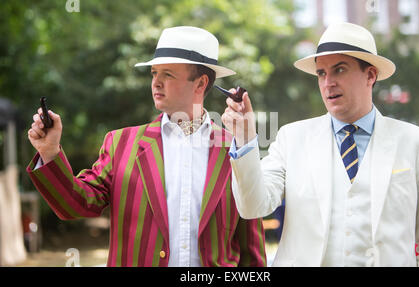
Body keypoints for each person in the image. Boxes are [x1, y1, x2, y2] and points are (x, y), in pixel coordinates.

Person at [27, 26, 266, 267]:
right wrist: (50, 152)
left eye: (168, 74)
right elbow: (75, 204)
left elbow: (252, 252)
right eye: (154, 73)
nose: (156, 83)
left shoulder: (237, 151)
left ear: (201, 83)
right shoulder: (121, 144)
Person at [222, 22, 419, 266]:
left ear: (370, 75)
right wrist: (245, 139)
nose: (328, 82)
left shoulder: (414, 142)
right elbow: (252, 206)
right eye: (321, 73)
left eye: (339, 70)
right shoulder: (292, 138)